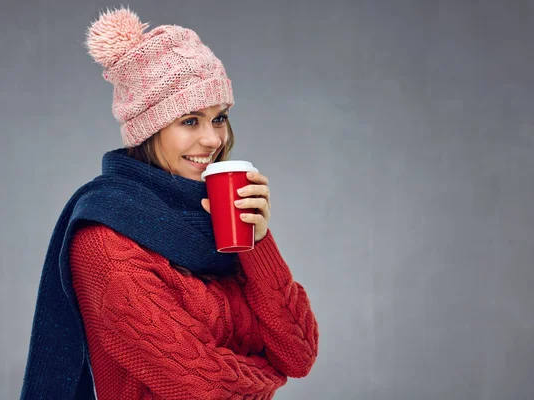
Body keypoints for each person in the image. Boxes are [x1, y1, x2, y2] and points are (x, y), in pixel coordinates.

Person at [20, 7, 319, 399]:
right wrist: (269, 376)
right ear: (148, 129)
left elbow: (297, 355)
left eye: (219, 118)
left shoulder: (220, 219)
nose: (213, 140)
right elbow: (205, 390)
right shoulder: (104, 241)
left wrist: (259, 244)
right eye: (190, 121)